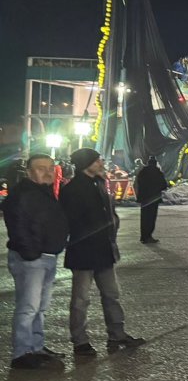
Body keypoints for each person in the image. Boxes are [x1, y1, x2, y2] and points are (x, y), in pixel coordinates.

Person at [62, 148, 145, 356]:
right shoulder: (72, 189)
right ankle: (80, 341)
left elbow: (109, 214)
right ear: (86, 164)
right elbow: (70, 221)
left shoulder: (100, 183)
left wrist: (112, 230)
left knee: (111, 295)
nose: (101, 163)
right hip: (83, 252)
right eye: (97, 161)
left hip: (104, 250)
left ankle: (117, 333)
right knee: (81, 299)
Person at [2, 154, 70, 369]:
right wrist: (31, 253)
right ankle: (22, 352)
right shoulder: (23, 194)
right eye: (41, 168)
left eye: (50, 168)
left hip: (47, 256)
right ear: (29, 172)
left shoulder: (43, 192)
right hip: (32, 259)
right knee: (28, 307)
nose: (47, 172)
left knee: (40, 307)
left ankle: (36, 346)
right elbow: (19, 227)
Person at [133, 156, 168, 244]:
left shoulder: (142, 172)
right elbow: (164, 185)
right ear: (155, 163)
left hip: (144, 199)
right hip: (154, 200)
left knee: (144, 218)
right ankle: (149, 236)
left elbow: (137, 183)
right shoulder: (158, 172)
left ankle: (143, 236)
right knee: (151, 218)